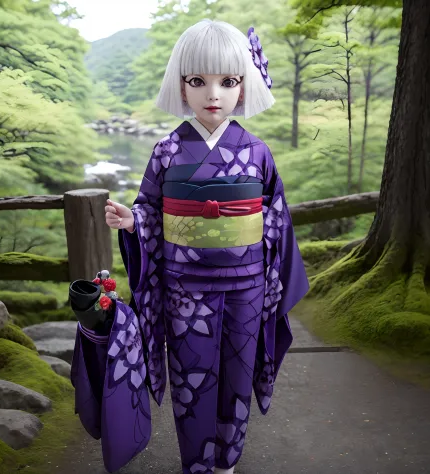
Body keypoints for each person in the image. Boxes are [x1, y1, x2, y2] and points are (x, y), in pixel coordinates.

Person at [104, 19, 309, 474]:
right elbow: (151, 210)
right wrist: (133, 221)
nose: (212, 94)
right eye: (198, 81)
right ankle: (196, 464)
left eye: (228, 81)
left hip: (247, 285)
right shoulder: (166, 151)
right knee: (190, 377)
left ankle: (228, 463)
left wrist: (270, 275)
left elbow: (274, 220)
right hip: (184, 287)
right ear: (181, 86)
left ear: (243, 86)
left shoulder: (258, 152)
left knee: (236, 375)